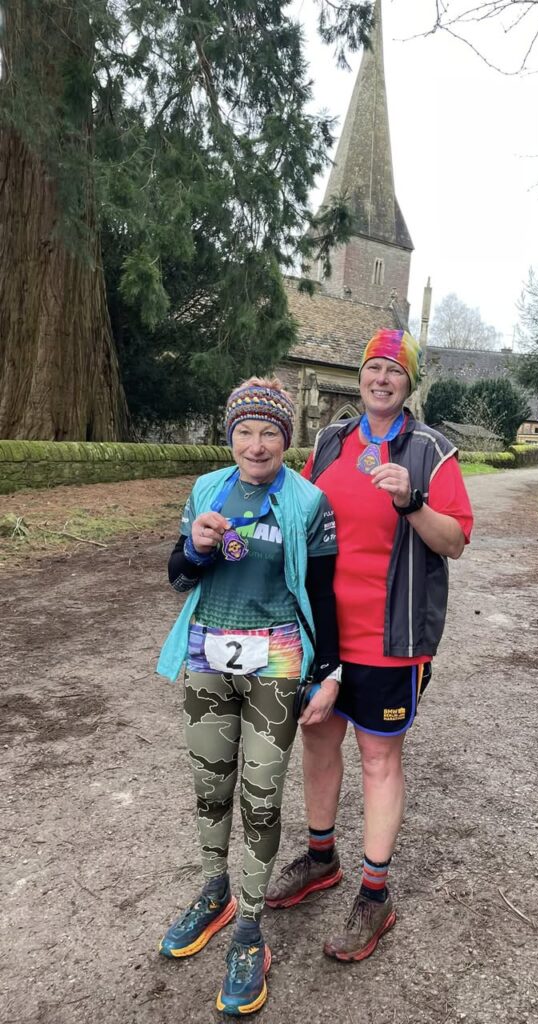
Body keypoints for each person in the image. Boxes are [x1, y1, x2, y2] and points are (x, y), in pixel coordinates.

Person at [265, 329, 473, 962]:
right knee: (318, 739)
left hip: (392, 639)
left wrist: (410, 502)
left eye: (395, 371)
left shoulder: (432, 451)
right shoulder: (330, 441)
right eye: (373, 368)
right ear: (361, 377)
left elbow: (454, 542)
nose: (382, 378)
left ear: (410, 385)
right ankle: (322, 858)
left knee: (380, 759)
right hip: (321, 634)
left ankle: (375, 896)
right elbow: (294, 514)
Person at [155, 377, 341, 1016]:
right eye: (244, 431)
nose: (256, 444)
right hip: (209, 656)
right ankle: (216, 891)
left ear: (286, 440)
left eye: (269, 432)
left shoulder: (309, 500)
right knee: (211, 788)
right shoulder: (207, 490)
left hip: (278, 659)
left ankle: (250, 930)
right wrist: (197, 548)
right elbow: (179, 577)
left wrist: (330, 671)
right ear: (229, 435)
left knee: (261, 797)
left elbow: (323, 592)